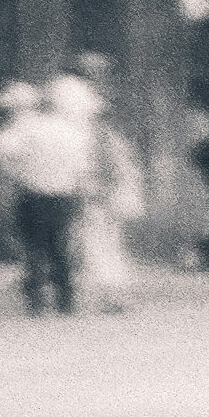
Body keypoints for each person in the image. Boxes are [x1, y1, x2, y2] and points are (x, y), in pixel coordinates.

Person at [0, 81, 93, 315]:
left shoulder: (28, 130)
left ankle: (37, 299)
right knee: (60, 246)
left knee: (34, 247)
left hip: (34, 193)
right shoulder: (71, 131)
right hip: (65, 194)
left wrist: (19, 171)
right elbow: (82, 166)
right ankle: (66, 298)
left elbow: (6, 152)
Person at [57, 57, 144, 314]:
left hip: (97, 191)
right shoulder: (87, 120)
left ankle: (110, 292)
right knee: (95, 241)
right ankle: (106, 291)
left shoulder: (100, 132)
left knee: (98, 241)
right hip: (94, 189)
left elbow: (109, 163)